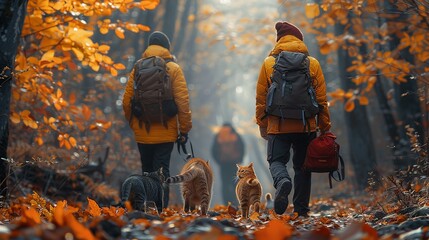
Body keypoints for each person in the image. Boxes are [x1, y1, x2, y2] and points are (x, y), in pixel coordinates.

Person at [255, 21, 331, 217]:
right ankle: (301, 211)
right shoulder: (312, 63)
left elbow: (261, 98)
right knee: (303, 167)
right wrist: (325, 127)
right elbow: (321, 99)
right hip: (306, 125)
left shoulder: (269, 63)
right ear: (299, 40)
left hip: (277, 125)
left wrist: (263, 125)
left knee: (276, 161)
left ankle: (282, 182)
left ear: (279, 40)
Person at [122, 31, 192, 209]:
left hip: (142, 132)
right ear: (167, 47)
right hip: (166, 132)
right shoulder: (174, 69)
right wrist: (184, 130)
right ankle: (160, 211)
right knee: (162, 172)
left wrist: (134, 124)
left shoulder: (138, 67)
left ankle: (145, 208)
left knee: (146, 172)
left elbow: (126, 101)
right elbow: (183, 102)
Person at [211, 123, 245, 206]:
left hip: (223, 164)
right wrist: (240, 159)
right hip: (234, 163)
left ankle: (226, 204)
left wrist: (219, 161)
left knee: (225, 184)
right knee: (236, 184)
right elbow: (242, 147)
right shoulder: (235, 135)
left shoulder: (219, 135)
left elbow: (214, 150)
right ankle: (236, 202)